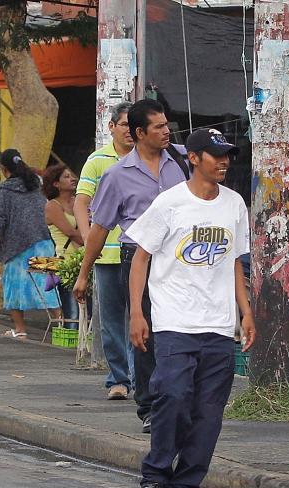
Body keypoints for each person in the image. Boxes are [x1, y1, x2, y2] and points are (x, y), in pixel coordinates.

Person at [127, 128, 253, 488]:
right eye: (216, 155)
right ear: (194, 158)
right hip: (175, 322)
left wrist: (246, 312)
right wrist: (136, 312)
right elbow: (141, 258)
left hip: (218, 326)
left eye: (228, 155)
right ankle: (156, 477)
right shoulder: (170, 203)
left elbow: (235, 262)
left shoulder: (234, 205)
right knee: (173, 397)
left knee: (209, 414)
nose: (224, 162)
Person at [74, 98, 189, 431]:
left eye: (167, 125)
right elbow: (99, 229)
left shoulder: (183, 161)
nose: (167, 131)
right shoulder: (116, 175)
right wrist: (84, 274)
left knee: (182, 330)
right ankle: (151, 406)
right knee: (145, 331)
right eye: (159, 127)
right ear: (140, 133)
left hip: (181, 260)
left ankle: (180, 399)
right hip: (137, 259)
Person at [74, 101, 136, 401]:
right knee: (112, 321)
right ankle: (119, 379)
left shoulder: (149, 159)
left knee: (142, 316)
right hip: (108, 254)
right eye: (123, 124)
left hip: (140, 253)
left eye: (132, 125)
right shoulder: (98, 161)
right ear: (111, 127)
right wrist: (89, 240)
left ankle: (141, 377)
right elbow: (81, 202)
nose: (128, 131)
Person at [0, 149, 61, 339]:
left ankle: (20, 330)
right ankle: (61, 329)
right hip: (44, 241)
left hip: (16, 248)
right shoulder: (37, 184)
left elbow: (0, 221)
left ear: (3, 168)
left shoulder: (3, 191)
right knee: (49, 287)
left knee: (14, 288)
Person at [43, 164, 83, 328]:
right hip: (66, 263)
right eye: (66, 177)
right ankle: (69, 350)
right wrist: (93, 244)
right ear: (56, 184)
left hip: (83, 259)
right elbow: (71, 232)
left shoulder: (78, 201)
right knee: (72, 312)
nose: (72, 179)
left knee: (89, 311)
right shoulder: (52, 206)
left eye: (72, 175)